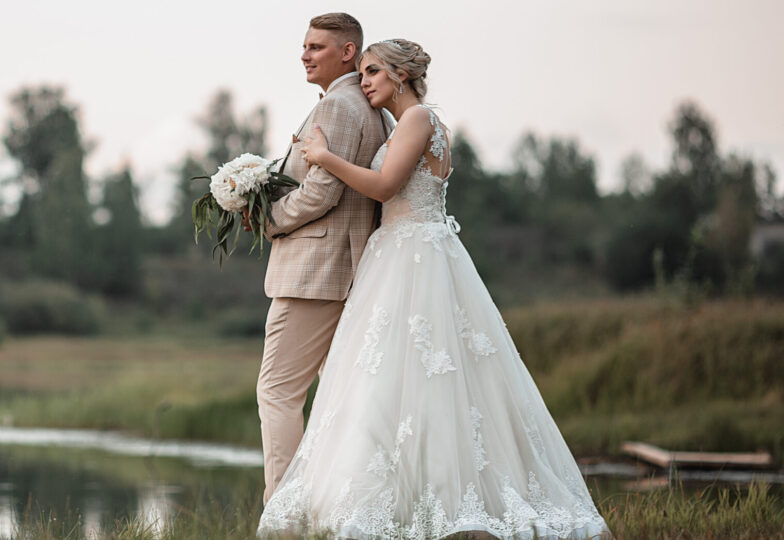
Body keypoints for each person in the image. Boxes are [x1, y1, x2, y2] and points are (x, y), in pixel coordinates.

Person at [257, 39, 611, 539]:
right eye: (362, 74)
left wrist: (323, 157)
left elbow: (383, 187)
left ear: (402, 74)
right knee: (397, 382)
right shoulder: (412, 123)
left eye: (374, 72)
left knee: (417, 376)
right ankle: (397, 497)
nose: (366, 82)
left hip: (412, 256)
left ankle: (427, 504)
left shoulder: (420, 118)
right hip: (406, 249)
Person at [255, 12, 388, 505]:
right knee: (339, 402)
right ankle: (340, 507)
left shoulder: (339, 106)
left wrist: (267, 219)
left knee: (277, 394)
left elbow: (321, 194)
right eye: (304, 47)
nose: (305, 55)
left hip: (315, 273)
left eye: (316, 47)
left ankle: (283, 512)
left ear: (348, 52)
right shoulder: (370, 106)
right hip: (346, 270)